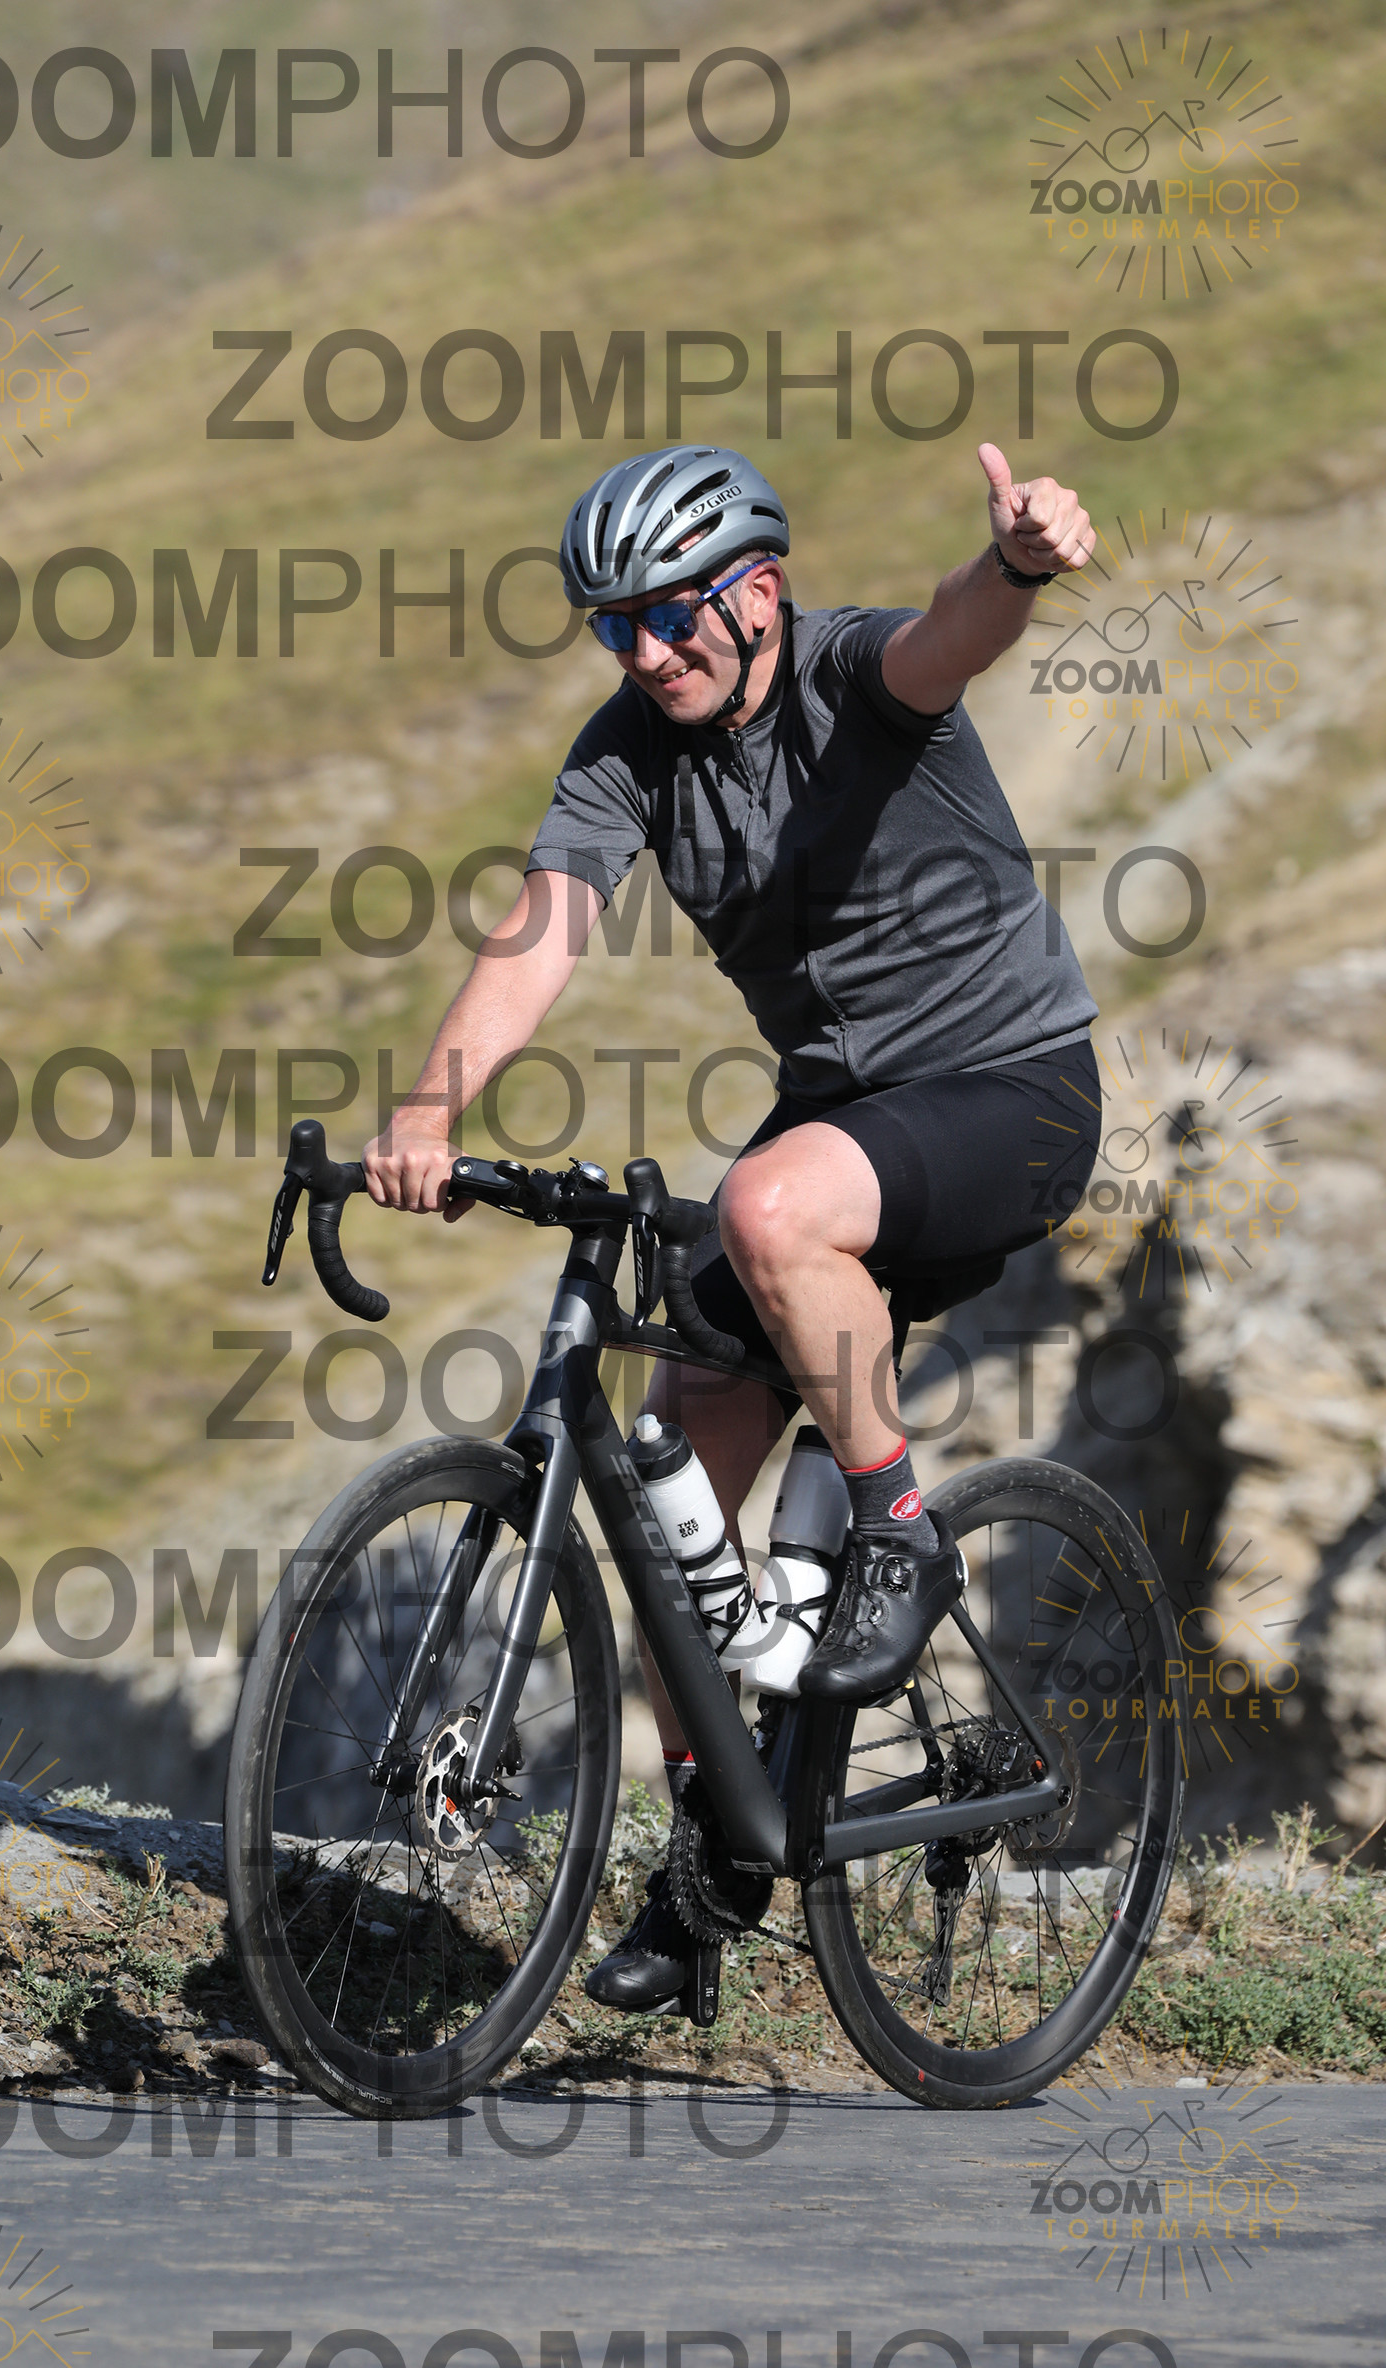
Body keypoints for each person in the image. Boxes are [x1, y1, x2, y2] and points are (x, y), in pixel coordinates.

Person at [362, 440, 1101, 2014]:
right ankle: (719, 1849)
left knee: (765, 1203)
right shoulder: (629, 750)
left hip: (1011, 1094)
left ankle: (897, 1528)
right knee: (669, 1474)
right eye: (613, 624)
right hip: (846, 1116)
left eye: (670, 613)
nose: (644, 651)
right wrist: (428, 1112)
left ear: (757, 593)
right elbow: (541, 933)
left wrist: (1019, 565)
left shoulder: (850, 676)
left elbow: (951, 637)